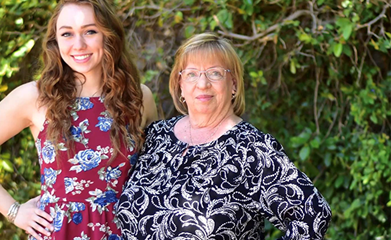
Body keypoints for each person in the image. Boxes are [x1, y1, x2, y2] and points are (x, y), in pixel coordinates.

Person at [0, 0, 158, 239]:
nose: (78, 45)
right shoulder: (35, 97)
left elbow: (156, 175)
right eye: (67, 34)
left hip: (124, 232)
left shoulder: (139, 98)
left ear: (108, 36)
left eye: (90, 31)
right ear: (55, 41)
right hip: (58, 233)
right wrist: (14, 212)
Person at [115, 33, 331, 239]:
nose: (202, 83)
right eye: (191, 74)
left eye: (215, 73)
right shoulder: (156, 136)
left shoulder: (252, 150)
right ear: (180, 85)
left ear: (234, 84)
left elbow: (313, 215)